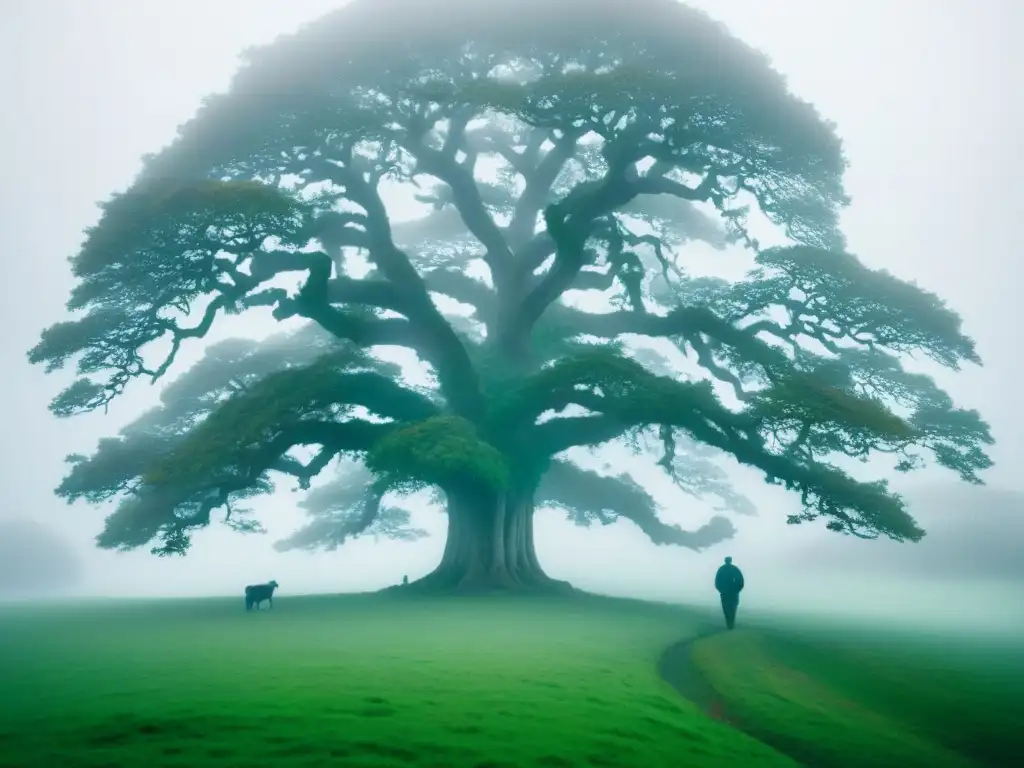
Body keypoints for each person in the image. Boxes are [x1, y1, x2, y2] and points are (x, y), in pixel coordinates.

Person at [714, 556, 744, 630]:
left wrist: (721, 589)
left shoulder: (722, 569)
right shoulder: (734, 569)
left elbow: (717, 581)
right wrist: (737, 589)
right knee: (732, 607)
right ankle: (730, 623)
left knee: (727, 608)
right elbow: (740, 580)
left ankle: (729, 623)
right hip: (731, 592)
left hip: (727, 592)